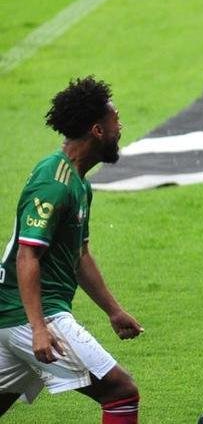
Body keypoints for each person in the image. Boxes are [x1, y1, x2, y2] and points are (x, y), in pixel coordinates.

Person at [0, 77, 142, 422]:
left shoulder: (77, 183)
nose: (120, 128)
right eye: (116, 120)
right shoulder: (55, 183)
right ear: (97, 130)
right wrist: (38, 327)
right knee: (121, 392)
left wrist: (114, 310)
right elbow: (26, 254)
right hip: (34, 313)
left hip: (13, 314)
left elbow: (79, 255)